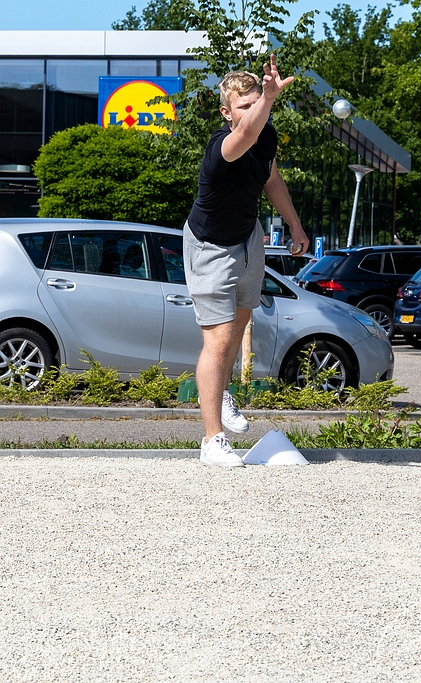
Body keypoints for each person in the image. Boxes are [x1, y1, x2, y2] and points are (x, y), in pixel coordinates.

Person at [183, 55, 309, 468]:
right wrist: (268, 101)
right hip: (210, 247)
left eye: (257, 100)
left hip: (248, 239)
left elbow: (271, 179)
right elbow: (248, 132)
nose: (253, 110)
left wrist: (294, 226)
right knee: (217, 341)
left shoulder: (266, 137)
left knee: (237, 329)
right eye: (244, 105)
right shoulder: (222, 146)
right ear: (226, 112)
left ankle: (219, 393)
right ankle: (211, 440)